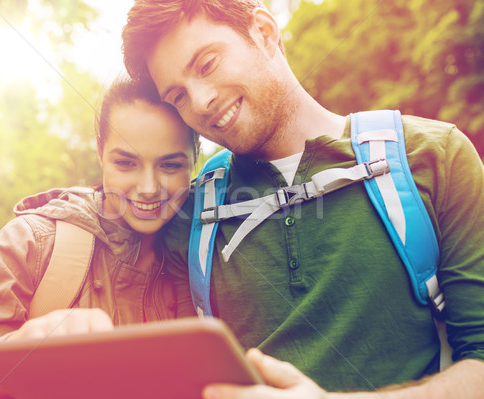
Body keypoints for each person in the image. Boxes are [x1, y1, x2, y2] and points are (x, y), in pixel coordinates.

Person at [121, 1, 484, 398]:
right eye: (178, 96)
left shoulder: (434, 156)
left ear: (263, 31)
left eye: (207, 64)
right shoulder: (188, 215)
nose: (201, 101)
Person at [0, 78, 199, 398]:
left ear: (194, 159)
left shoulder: (207, 254)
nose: (148, 187)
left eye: (170, 165)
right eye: (126, 163)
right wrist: (11, 363)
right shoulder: (31, 242)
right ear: (100, 153)